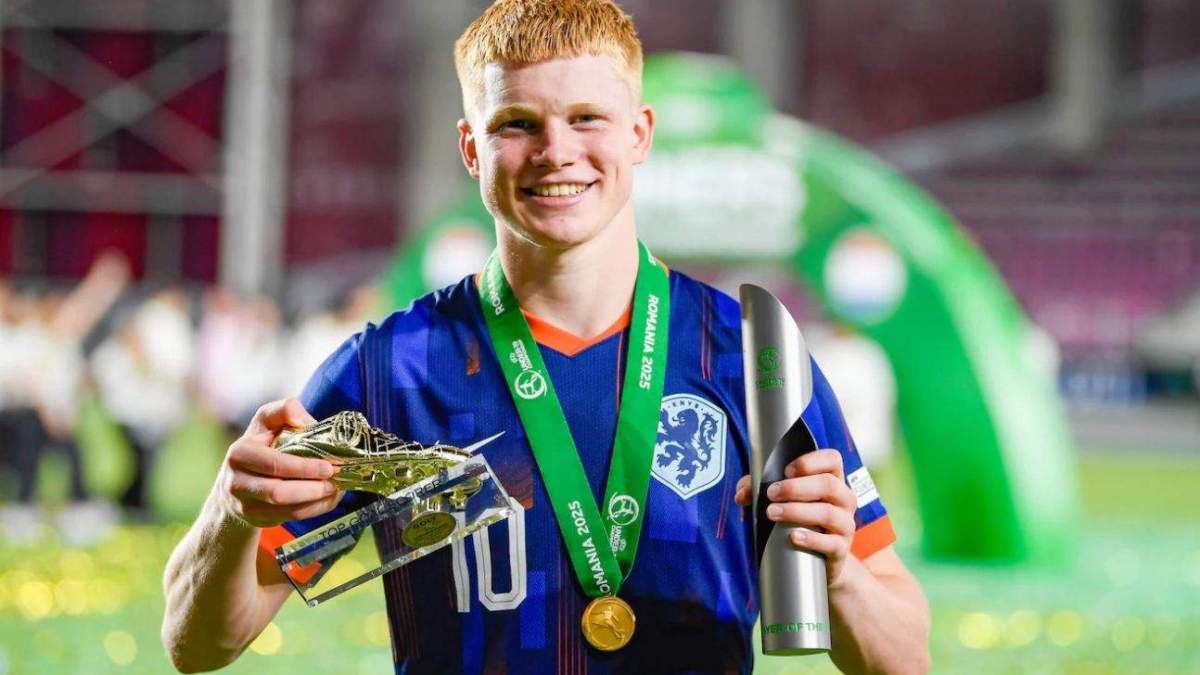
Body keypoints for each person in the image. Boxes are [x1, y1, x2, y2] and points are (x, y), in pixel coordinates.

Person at [162, 1, 930, 673]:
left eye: (586, 118)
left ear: (640, 134)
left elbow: (902, 659)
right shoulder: (390, 366)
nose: (555, 151)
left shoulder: (747, 350)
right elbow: (197, 645)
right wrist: (232, 514)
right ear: (471, 149)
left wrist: (839, 574)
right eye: (516, 124)